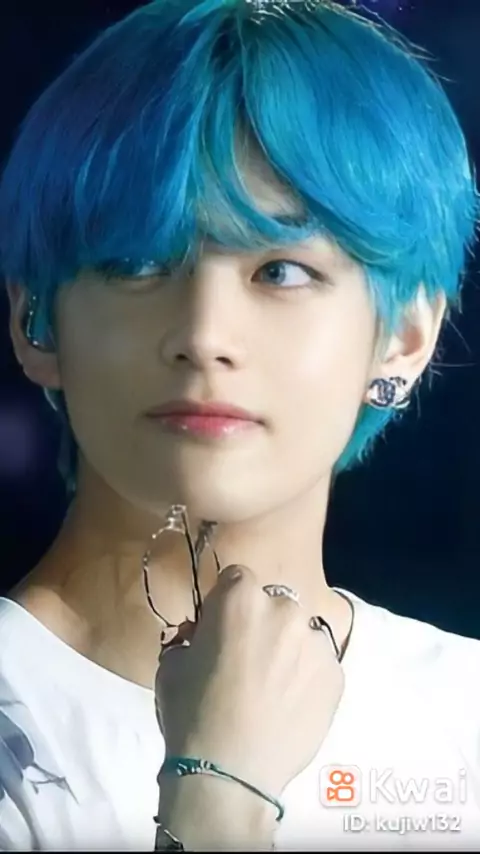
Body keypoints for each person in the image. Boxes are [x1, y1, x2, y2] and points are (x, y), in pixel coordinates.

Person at [0, 0, 479, 849]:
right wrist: (217, 790)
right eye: (138, 262)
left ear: (405, 337)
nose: (204, 335)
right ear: (36, 321)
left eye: (281, 270)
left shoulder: (463, 714)